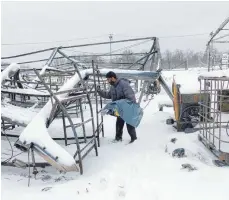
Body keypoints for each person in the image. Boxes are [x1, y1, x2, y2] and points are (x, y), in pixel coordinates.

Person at [97, 71, 137, 143]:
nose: (108, 81)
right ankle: (118, 139)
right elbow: (109, 95)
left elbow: (131, 97)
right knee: (119, 123)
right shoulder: (113, 86)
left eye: (108, 79)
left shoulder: (124, 84)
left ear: (112, 78)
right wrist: (99, 91)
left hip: (128, 107)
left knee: (130, 125)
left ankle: (134, 139)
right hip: (120, 108)